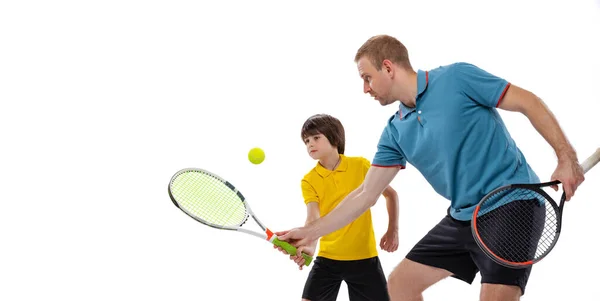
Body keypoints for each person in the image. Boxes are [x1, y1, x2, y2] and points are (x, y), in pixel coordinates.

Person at [276, 35, 585, 301]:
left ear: (388, 67)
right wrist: (309, 232)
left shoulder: (456, 78)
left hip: (511, 203)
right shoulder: (395, 131)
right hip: (463, 216)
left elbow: (527, 102)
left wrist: (565, 157)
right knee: (397, 288)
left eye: (367, 77)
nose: (365, 89)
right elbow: (366, 194)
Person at [275, 113, 400, 301]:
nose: (310, 144)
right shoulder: (309, 180)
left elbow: (391, 194)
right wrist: (309, 244)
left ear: (334, 138)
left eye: (316, 138)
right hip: (327, 259)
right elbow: (312, 218)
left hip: (364, 258)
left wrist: (393, 230)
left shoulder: (360, 165)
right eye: (306, 140)